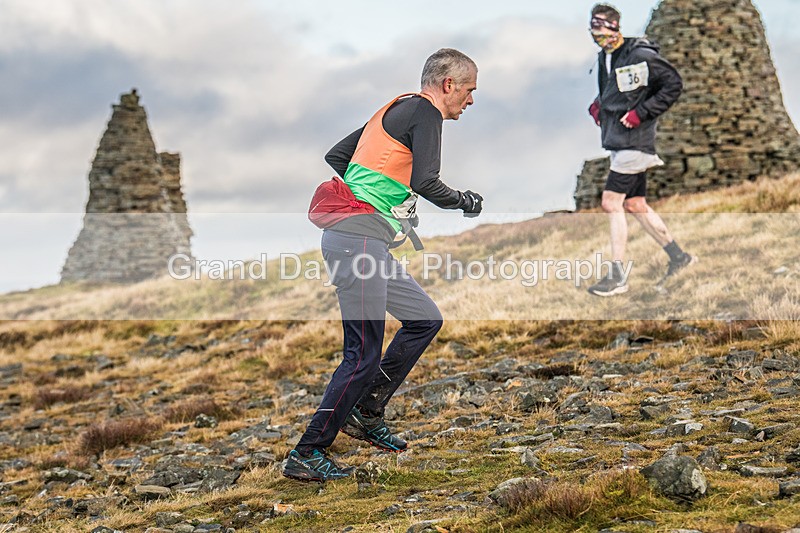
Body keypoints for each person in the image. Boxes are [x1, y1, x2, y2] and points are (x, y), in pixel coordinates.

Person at [283, 48, 483, 483]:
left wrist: (378, 200)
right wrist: (464, 201)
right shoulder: (425, 113)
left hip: (363, 241)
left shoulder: (394, 111)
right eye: (469, 91)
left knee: (424, 318)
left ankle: (367, 410)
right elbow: (425, 181)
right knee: (362, 356)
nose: (470, 101)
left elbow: (339, 156)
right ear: (448, 84)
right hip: (357, 244)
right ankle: (307, 451)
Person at [586, 3, 696, 297]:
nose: (598, 38)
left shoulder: (641, 55)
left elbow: (672, 84)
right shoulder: (605, 57)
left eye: (602, 32)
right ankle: (679, 257)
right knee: (635, 205)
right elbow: (614, 89)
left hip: (634, 141)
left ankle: (617, 275)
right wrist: (599, 105)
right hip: (618, 139)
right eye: (593, 33)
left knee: (611, 202)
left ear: (615, 28)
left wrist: (642, 113)